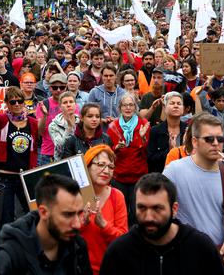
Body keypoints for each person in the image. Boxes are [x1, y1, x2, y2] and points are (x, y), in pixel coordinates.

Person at [163, 113, 224, 264]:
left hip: (218, 254)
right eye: (209, 139)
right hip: (182, 254)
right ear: (195, 142)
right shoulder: (174, 171)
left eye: (220, 139)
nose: (216, 143)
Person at [99, 173, 224, 275]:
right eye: (142, 208)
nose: (149, 217)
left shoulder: (200, 247)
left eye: (157, 208)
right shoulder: (119, 252)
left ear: (174, 209)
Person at [0, 174, 91, 275]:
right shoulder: (8, 260)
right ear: (44, 212)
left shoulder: (77, 246)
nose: (77, 224)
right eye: (68, 214)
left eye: (79, 213)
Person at [0, 86, 39, 226]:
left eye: (19, 101)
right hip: (6, 177)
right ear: (7, 104)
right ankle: (7, 247)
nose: (16, 104)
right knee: (7, 218)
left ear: (24, 102)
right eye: (12, 102)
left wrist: (44, 116)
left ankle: (32, 246)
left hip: (25, 176)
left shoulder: (33, 123)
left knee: (33, 215)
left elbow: (40, 138)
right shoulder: (3, 120)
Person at [80, 145, 128, 274]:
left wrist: (104, 225)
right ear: (87, 166)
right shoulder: (75, 195)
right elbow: (60, 235)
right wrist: (82, 224)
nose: (106, 171)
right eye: (101, 164)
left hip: (110, 268)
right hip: (78, 268)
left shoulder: (117, 196)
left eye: (111, 167)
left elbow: (124, 241)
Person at [106, 93, 150, 226]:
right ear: (120, 108)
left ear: (135, 107)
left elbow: (148, 152)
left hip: (139, 175)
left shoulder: (143, 124)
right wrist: (115, 148)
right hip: (119, 176)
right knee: (121, 211)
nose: (128, 108)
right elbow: (108, 153)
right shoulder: (113, 126)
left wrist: (143, 139)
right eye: (125, 105)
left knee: (137, 211)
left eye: (131, 105)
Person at [147, 92, 187, 173]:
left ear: (183, 109)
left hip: (185, 174)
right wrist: (169, 150)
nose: (176, 106)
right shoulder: (155, 131)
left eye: (179, 104)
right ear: (164, 107)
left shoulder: (189, 129)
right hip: (163, 176)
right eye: (172, 103)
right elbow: (150, 159)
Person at [37, 73, 71, 165]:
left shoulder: (72, 104)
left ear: (66, 87)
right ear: (50, 88)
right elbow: (40, 132)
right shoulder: (44, 104)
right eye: (55, 87)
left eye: (62, 87)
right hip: (48, 154)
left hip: (68, 153)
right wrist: (45, 115)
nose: (58, 90)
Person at [50, 92, 80, 160]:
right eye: (65, 102)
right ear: (60, 107)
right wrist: (69, 129)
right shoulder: (53, 126)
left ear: (75, 105)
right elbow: (60, 148)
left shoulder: (82, 122)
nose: (68, 105)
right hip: (62, 161)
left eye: (71, 102)